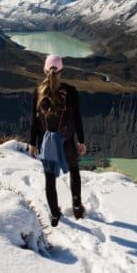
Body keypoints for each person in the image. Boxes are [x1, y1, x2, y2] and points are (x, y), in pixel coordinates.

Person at [29, 54, 87, 227]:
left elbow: (34, 120)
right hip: (67, 140)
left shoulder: (38, 91)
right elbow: (77, 119)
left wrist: (32, 143)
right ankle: (77, 206)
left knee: (49, 179)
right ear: (61, 70)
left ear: (45, 70)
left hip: (47, 143)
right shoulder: (71, 91)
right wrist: (81, 141)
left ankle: (55, 214)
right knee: (74, 171)